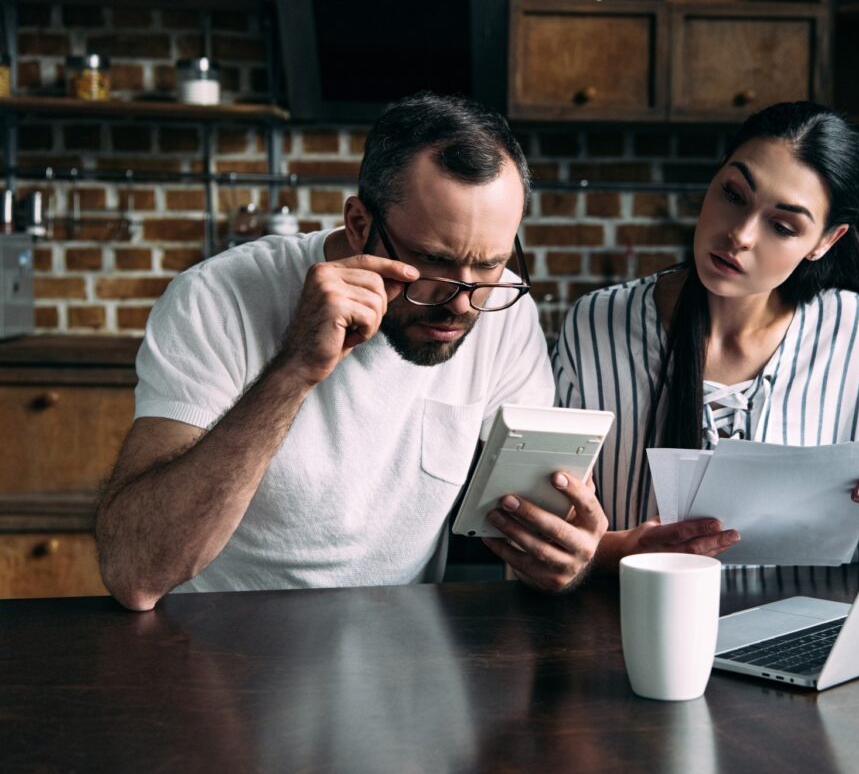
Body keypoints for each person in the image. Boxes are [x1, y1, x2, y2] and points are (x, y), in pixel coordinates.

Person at [95, 93, 607, 611]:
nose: (460, 303)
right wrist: (294, 369)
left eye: (490, 265)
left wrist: (567, 554)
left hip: (398, 654)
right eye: (432, 262)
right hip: (215, 647)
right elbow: (135, 571)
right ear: (360, 225)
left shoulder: (501, 308)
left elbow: (542, 522)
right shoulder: (214, 299)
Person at [551, 102, 859, 569]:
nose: (739, 235)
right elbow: (543, 530)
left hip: (806, 629)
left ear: (825, 241)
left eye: (782, 226)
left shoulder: (857, 334)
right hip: (627, 627)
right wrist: (619, 552)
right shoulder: (596, 323)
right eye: (734, 195)